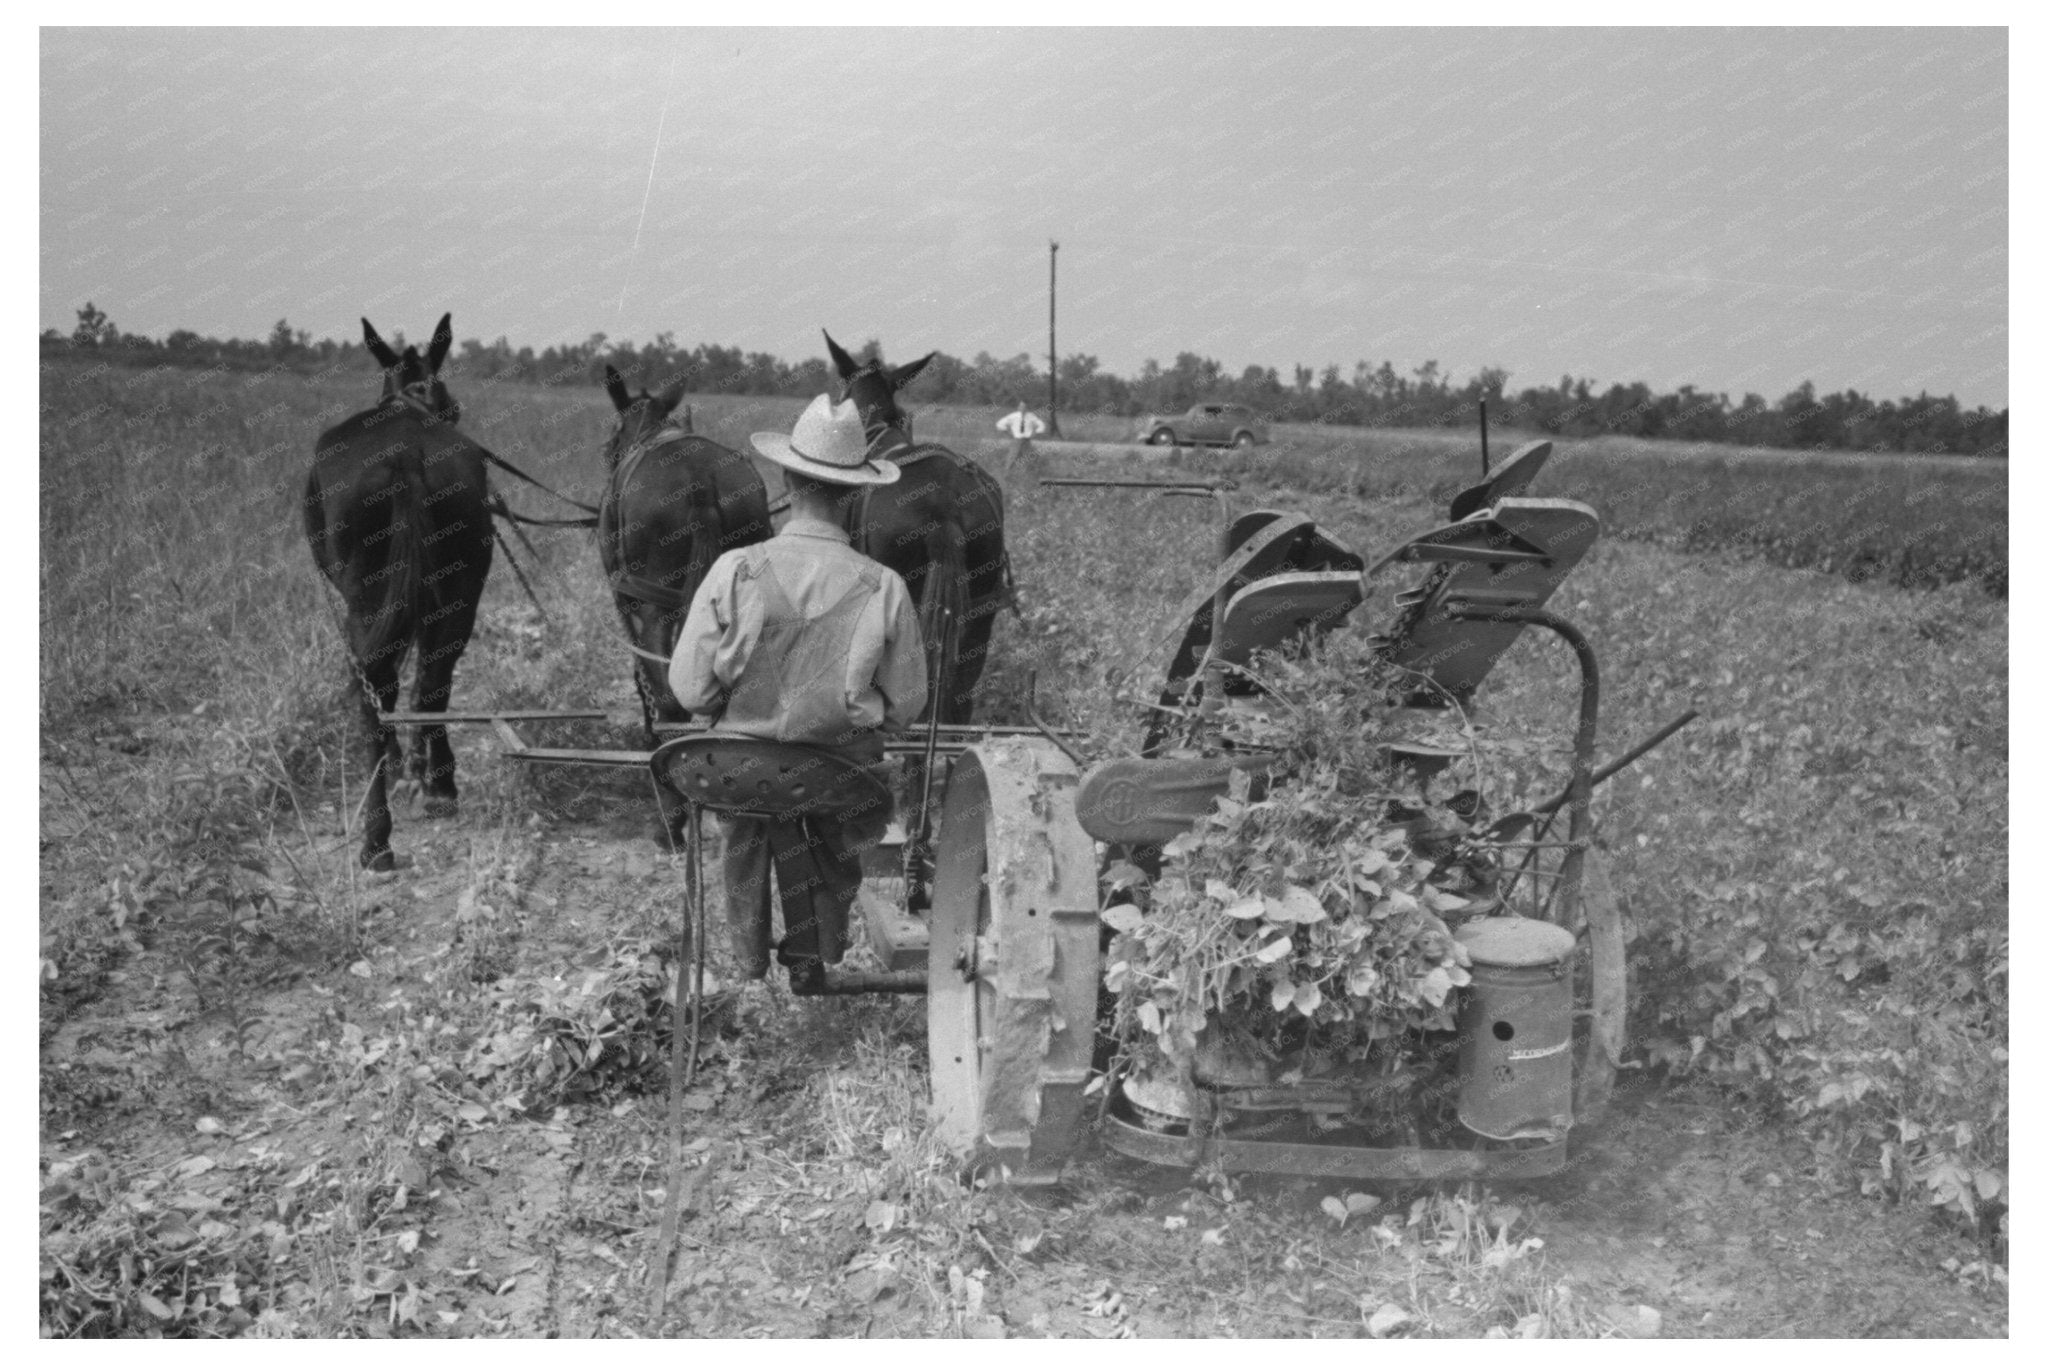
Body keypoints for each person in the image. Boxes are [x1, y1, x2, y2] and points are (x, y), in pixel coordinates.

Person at [669, 394, 927, 987]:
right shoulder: (883, 585)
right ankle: (819, 945)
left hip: (737, 768)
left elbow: (688, 688)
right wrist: (858, 713)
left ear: (786, 476)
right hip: (836, 774)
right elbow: (908, 703)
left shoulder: (737, 568)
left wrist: (732, 708)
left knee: (745, 819)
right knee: (836, 823)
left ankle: (747, 954)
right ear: (858, 491)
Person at [995, 398, 1047, 476]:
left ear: (1027, 408)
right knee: (1012, 457)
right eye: (1021, 407)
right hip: (1017, 440)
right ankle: (1006, 474)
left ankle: (1029, 475)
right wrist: (1008, 432)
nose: (1023, 409)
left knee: (1029, 458)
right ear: (1019, 407)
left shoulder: (1031, 416)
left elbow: (1041, 425)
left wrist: (1035, 433)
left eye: (1025, 407)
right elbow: (1000, 424)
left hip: (1026, 440)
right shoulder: (1013, 416)